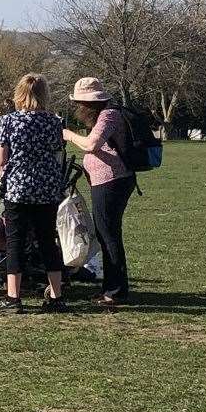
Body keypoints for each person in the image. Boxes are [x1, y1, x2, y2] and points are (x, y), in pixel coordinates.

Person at [0, 73, 68, 314]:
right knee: (48, 240)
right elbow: (57, 153)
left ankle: (14, 297)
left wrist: (5, 182)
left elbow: (1, 159)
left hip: (18, 187)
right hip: (47, 188)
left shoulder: (9, 121)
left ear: (20, 94)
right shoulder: (55, 122)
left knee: (16, 241)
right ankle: (56, 296)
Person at [61, 77, 134, 308]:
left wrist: (67, 134)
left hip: (112, 181)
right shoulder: (106, 115)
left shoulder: (108, 116)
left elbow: (91, 144)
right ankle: (112, 287)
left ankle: (115, 290)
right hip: (106, 181)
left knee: (108, 233)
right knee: (106, 233)